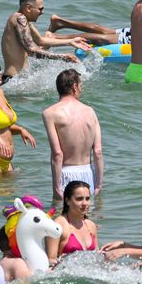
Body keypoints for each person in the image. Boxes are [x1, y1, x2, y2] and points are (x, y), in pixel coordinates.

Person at [42, 69, 103, 207]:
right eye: (80, 86)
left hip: (67, 173)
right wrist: (98, 184)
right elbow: (98, 151)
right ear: (74, 86)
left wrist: (57, 187)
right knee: (86, 221)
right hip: (89, 172)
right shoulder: (90, 111)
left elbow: (57, 154)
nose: (81, 89)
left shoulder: (50, 113)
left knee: (63, 222)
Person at [0, 0, 89, 78]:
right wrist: (63, 57)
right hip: (12, 79)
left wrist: (70, 41)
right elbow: (31, 50)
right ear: (29, 8)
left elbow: (41, 41)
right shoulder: (20, 18)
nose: (42, 12)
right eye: (40, 9)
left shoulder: (26, 22)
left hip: (19, 80)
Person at [48, 180, 97, 264]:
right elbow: (50, 261)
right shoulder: (57, 226)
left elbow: (96, 257)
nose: (85, 203)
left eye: (87, 198)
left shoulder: (91, 225)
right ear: (67, 201)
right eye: (79, 199)